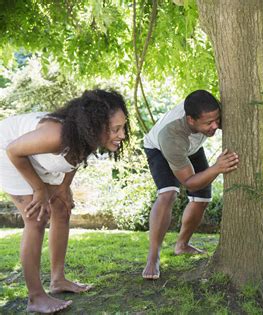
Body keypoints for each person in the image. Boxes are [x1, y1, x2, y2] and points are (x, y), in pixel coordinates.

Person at [0, 89, 129, 313]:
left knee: (62, 209)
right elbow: (14, 151)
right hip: (8, 153)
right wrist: (39, 189)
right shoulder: (56, 135)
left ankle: (58, 280)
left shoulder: (85, 134)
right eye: (116, 129)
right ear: (95, 125)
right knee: (37, 218)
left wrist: (63, 188)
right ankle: (35, 297)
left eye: (123, 127)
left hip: (35, 158)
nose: (123, 135)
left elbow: (75, 158)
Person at [142, 90, 239, 280]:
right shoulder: (170, 136)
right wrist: (217, 168)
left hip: (191, 146)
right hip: (160, 149)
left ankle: (182, 245)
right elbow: (189, 184)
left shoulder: (209, 113)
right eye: (208, 123)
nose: (215, 126)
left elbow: (198, 189)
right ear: (191, 120)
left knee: (202, 199)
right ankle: (153, 258)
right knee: (168, 194)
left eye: (217, 120)